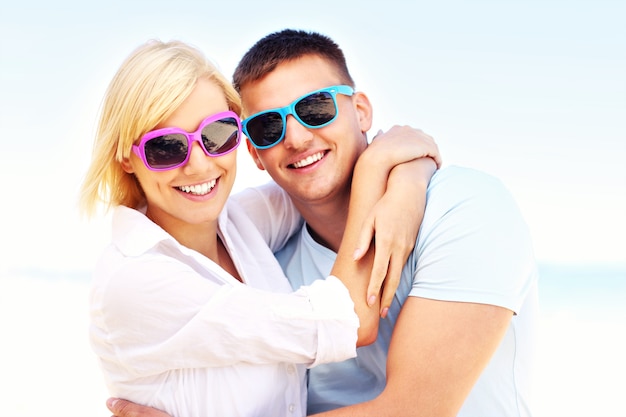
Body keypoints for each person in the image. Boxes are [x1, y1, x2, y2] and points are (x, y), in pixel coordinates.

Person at [107, 29, 539, 417]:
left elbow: (414, 411)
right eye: (267, 125)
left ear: (362, 111)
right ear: (254, 151)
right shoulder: (264, 262)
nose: (295, 138)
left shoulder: (466, 210)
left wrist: (409, 169)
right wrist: (382, 167)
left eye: (316, 108)